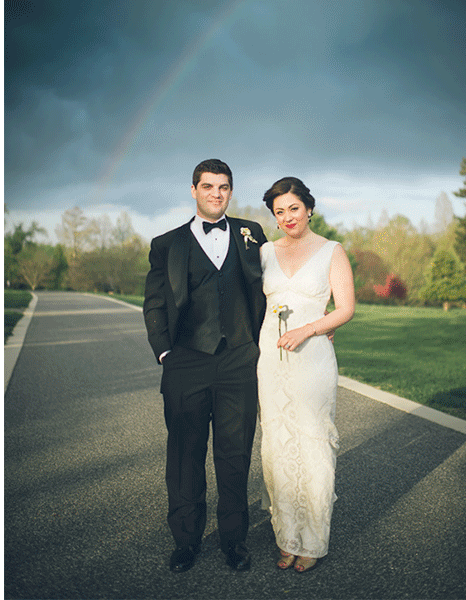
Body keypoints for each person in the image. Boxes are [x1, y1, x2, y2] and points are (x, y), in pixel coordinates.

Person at [143, 159, 268, 573]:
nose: (217, 193)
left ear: (231, 192)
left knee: (235, 456)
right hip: (186, 362)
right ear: (194, 190)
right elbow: (155, 303)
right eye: (209, 186)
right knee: (185, 456)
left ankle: (234, 541)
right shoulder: (166, 244)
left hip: (239, 361)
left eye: (224, 187)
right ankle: (186, 541)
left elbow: (276, 285)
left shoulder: (252, 235)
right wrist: (165, 352)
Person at [256, 177, 354, 573]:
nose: (287, 217)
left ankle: (312, 540)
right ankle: (287, 536)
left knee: (313, 444)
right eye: (279, 212)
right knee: (277, 445)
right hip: (270, 360)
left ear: (309, 209)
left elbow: (345, 308)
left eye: (293, 208)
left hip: (312, 358)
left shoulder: (332, 251)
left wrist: (311, 328)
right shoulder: (264, 252)